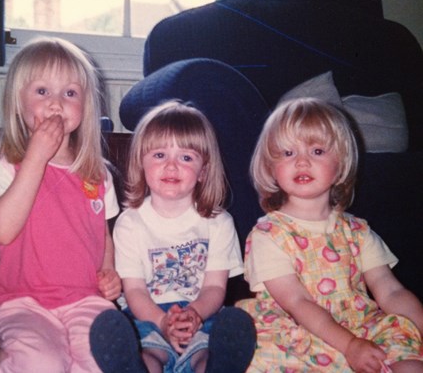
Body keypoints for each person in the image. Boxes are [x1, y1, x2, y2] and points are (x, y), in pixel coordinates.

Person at [236, 97, 423, 372]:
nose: (301, 162)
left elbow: (390, 290)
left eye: (317, 151)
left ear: (341, 164)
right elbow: (297, 303)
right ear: (270, 167)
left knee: (408, 356)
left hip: (361, 327)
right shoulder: (269, 235)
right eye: (288, 153)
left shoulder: (357, 231)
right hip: (301, 334)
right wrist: (349, 346)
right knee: (260, 355)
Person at [0, 37, 122, 373]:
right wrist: (35, 157)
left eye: (70, 93)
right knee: (42, 365)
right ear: (17, 102)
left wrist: (109, 272)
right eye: (42, 91)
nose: (56, 104)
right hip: (23, 301)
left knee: (104, 363)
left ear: (85, 107)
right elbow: (3, 230)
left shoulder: (97, 174)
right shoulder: (1, 162)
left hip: (85, 298)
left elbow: (102, 233)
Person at [90, 101, 256, 373]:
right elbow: (134, 291)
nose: (171, 166)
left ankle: (217, 367)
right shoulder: (130, 223)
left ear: (203, 171)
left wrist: (195, 314)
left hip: (201, 314)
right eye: (159, 155)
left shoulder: (219, 224)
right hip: (148, 315)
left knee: (208, 349)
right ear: (141, 163)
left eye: (186, 157)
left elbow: (214, 288)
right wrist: (163, 321)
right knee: (150, 354)